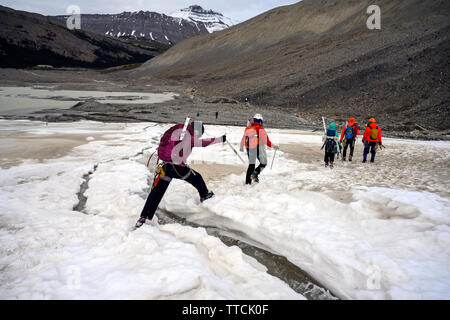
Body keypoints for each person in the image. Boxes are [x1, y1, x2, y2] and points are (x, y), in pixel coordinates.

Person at [135, 120, 225, 228]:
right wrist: (220, 139)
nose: (198, 136)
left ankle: (143, 218)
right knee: (197, 178)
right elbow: (203, 143)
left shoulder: (177, 131)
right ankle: (205, 196)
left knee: (156, 193)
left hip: (164, 166)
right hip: (176, 167)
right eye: (199, 133)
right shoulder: (187, 136)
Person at [240, 114, 278, 184]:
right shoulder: (260, 128)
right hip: (257, 148)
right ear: (260, 121)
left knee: (251, 165)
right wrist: (273, 146)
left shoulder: (249, 127)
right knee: (263, 163)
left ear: (254, 120)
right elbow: (266, 141)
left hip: (249, 149)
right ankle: (255, 174)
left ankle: (248, 183)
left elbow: (244, 138)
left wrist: (242, 147)